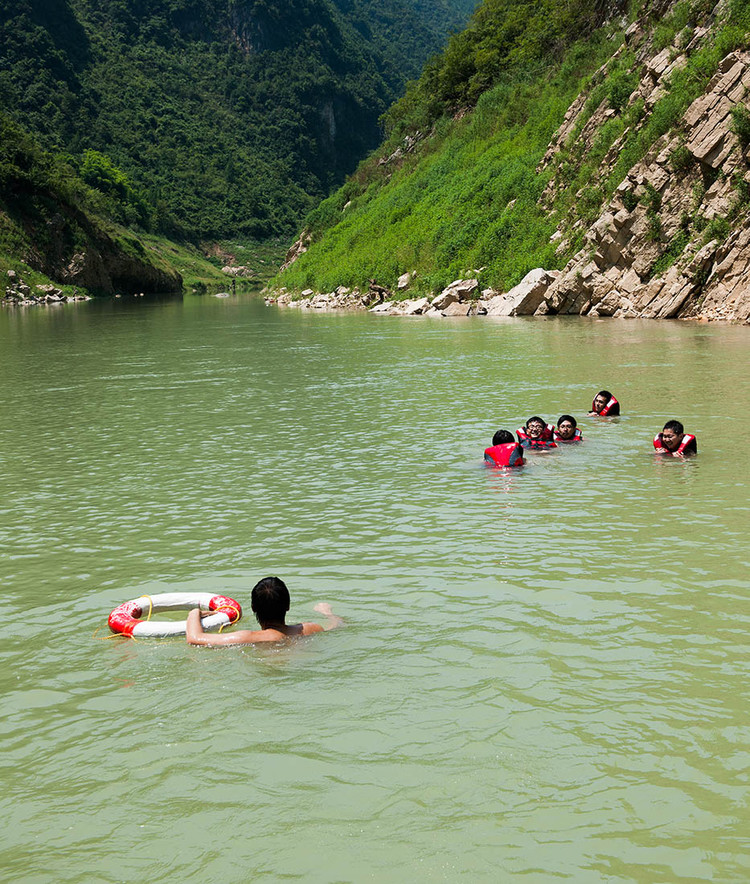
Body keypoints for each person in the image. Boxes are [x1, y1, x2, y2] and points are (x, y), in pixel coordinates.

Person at [186, 576, 342, 646]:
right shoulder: (310, 628)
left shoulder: (248, 637)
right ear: (288, 606)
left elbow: (195, 638)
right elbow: (337, 626)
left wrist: (194, 612)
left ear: (254, 608)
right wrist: (327, 613)